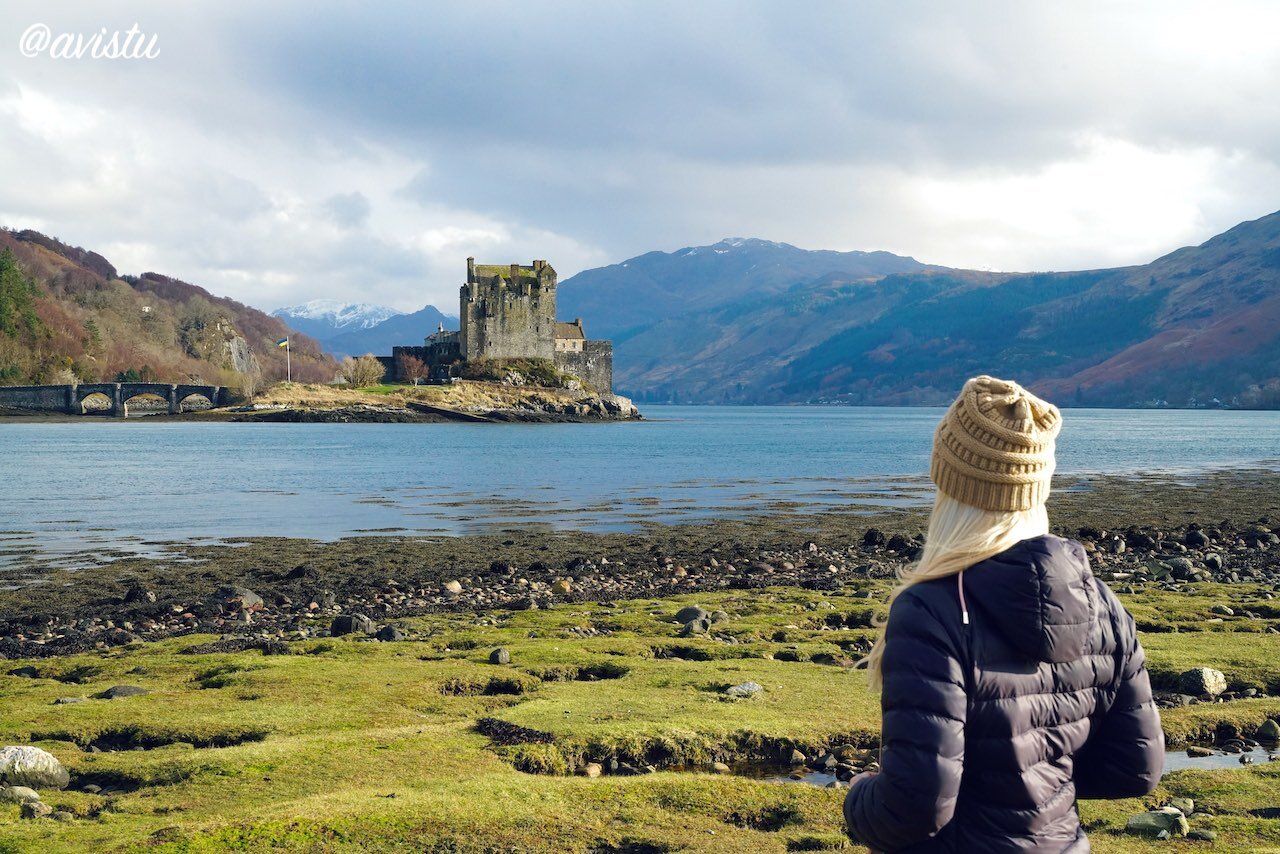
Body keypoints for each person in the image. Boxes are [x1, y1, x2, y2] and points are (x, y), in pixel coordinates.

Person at [844, 375, 1163, 852]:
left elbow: (915, 807)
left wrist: (858, 797)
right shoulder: (1103, 603)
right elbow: (1135, 769)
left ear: (950, 483)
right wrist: (1040, 783)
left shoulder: (930, 609)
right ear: (1036, 488)